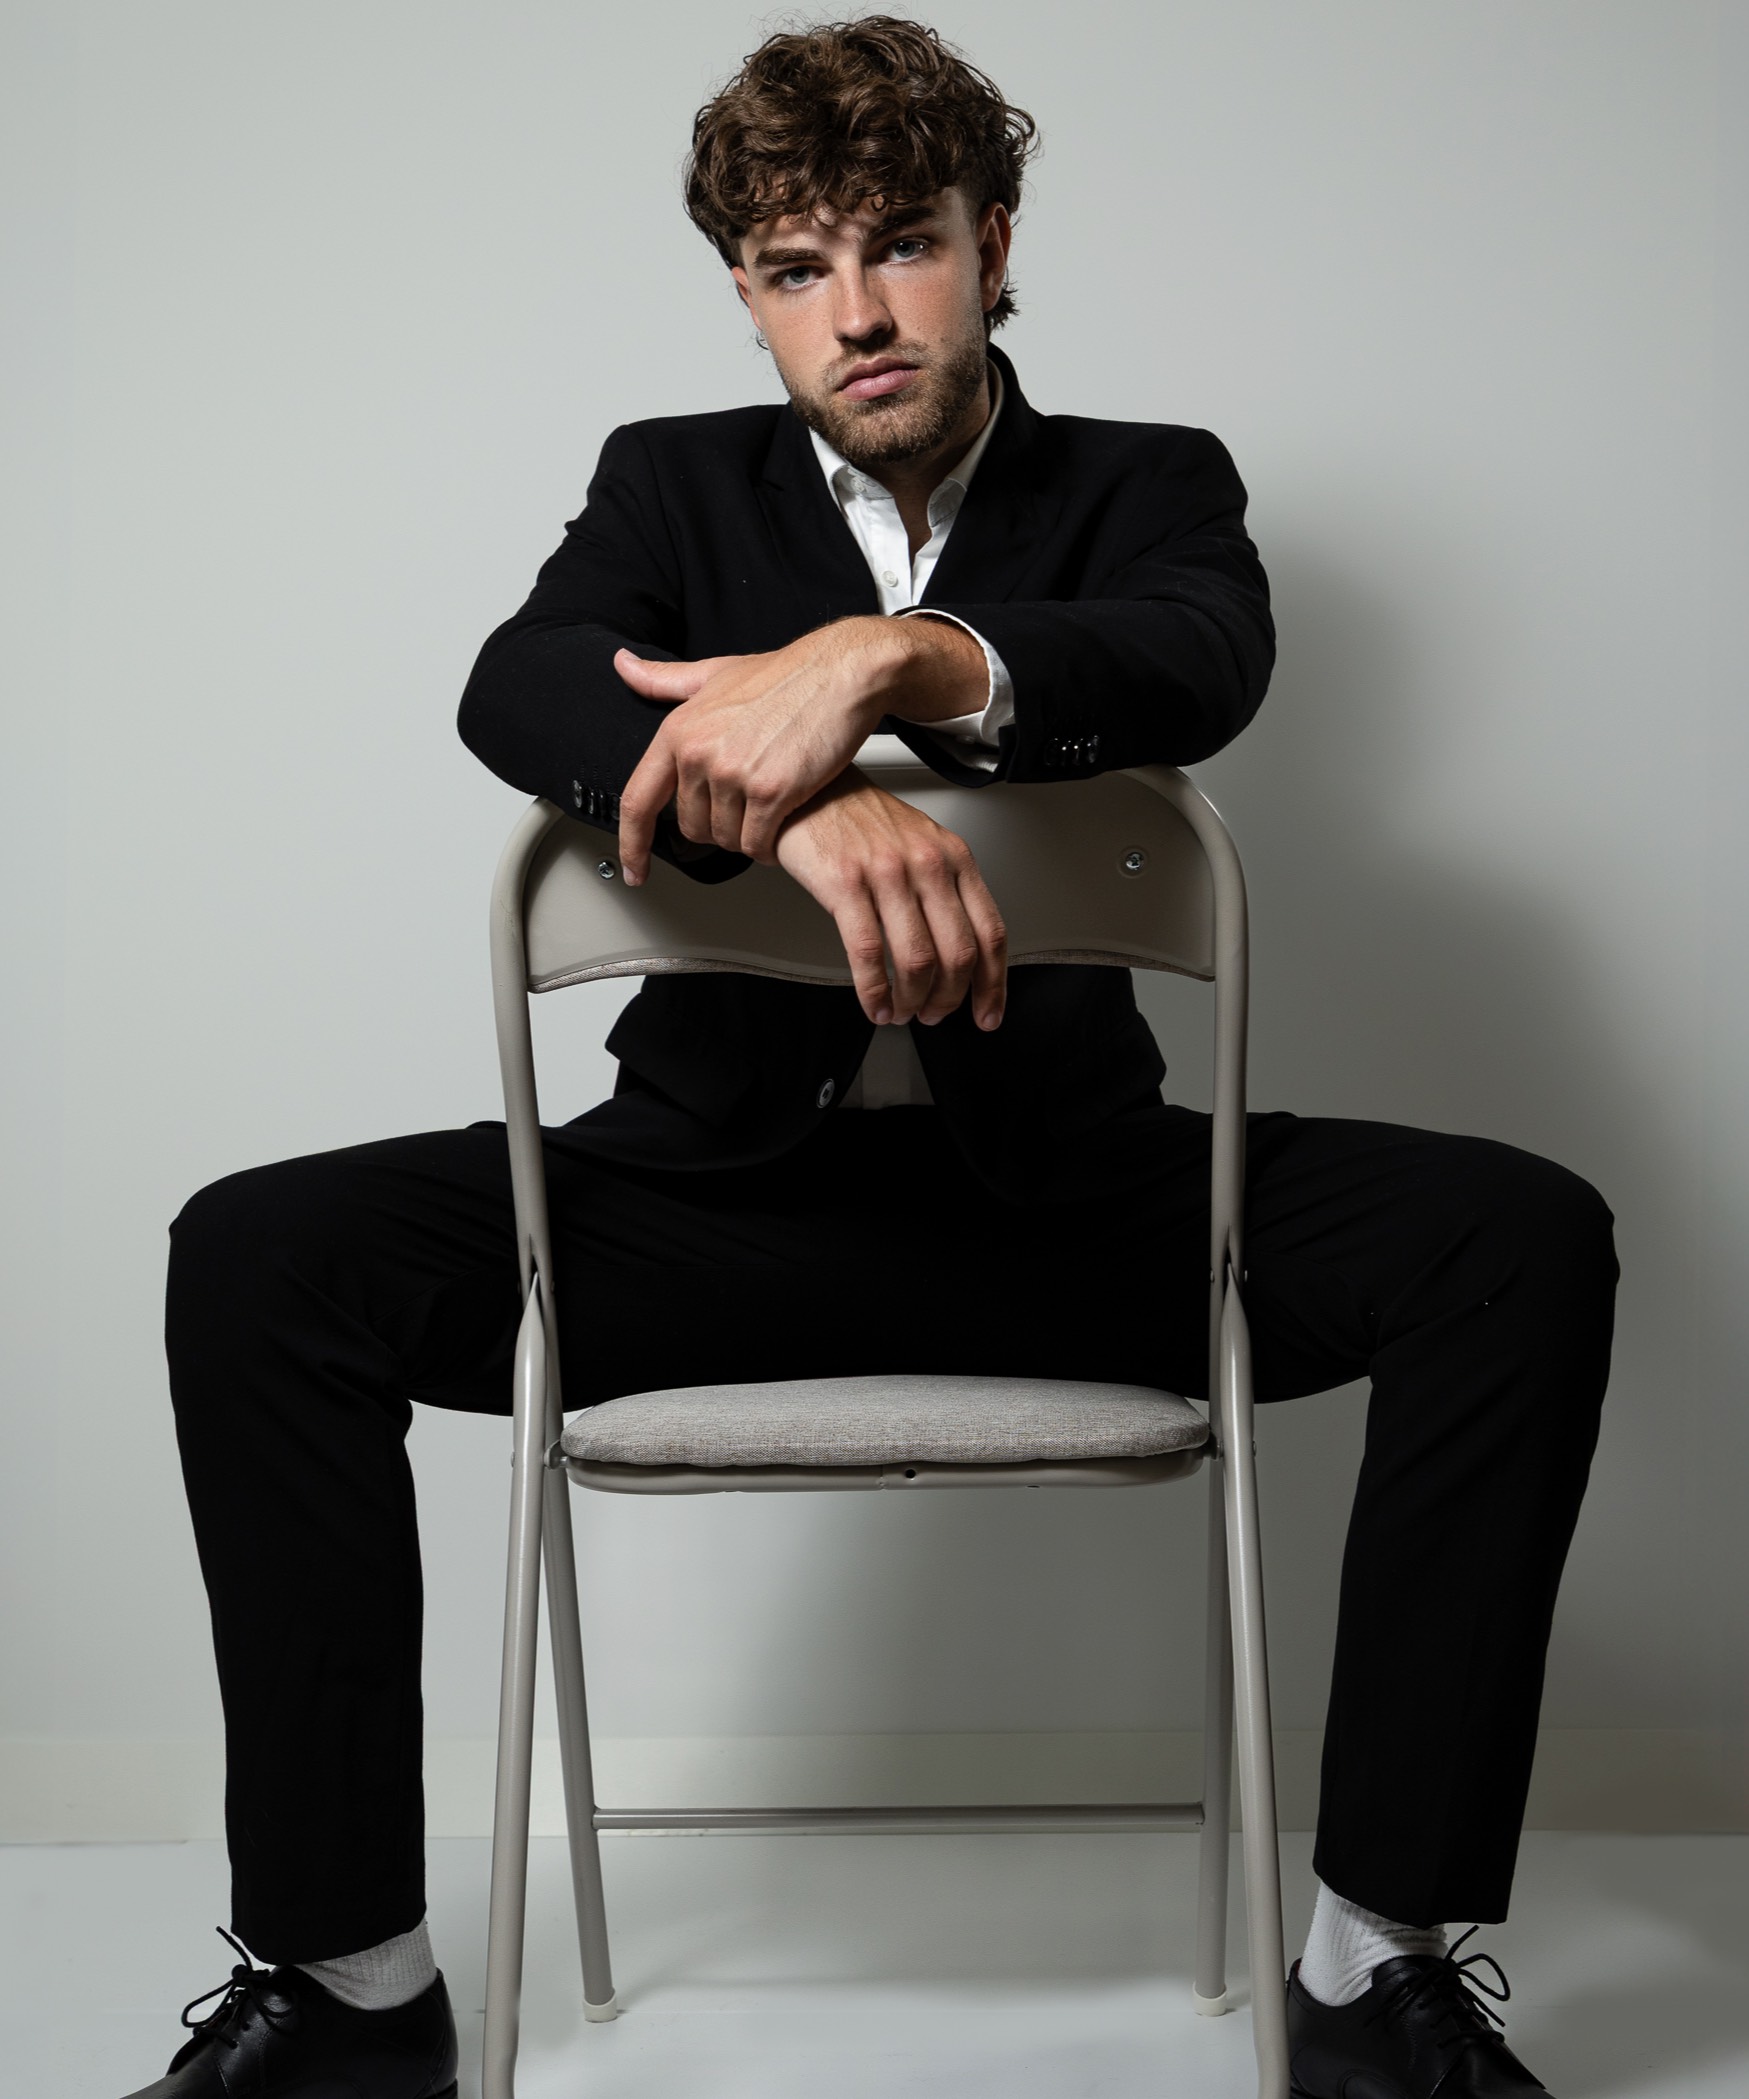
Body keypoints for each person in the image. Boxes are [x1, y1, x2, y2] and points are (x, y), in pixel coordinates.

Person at [133, 17, 1616, 2099]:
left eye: (900, 246)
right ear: (745, 294)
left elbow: (1198, 656)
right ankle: (348, 1989)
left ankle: (1376, 1971)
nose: (856, 312)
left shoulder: (1145, 481)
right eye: (794, 267)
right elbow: (521, 681)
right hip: (704, 1214)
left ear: (991, 248)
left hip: (1079, 1214)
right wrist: (792, 801)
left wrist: (884, 661)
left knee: (1516, 1236)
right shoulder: (668, 483)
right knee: (256, 1251)